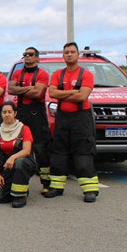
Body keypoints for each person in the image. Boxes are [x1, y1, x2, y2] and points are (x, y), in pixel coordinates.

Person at [45, 42, 100, 203]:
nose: (69, 54)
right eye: (66, 52)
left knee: (83, 152)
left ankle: (90, 190)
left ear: (78, 55)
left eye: (72, 52)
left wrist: (62, 94)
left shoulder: (86, 75)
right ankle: (56, 186)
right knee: (58, 152)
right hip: (62, 117)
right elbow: (52, 92)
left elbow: (82, 96)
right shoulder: (57, 74)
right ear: (63, 55)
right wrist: (72, 92)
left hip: (81, 118)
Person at [8, 47, 51, 193]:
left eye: (30, 54)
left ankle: (46, 183)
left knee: (41, 150)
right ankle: (21, 182)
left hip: (37, 116)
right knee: (20, 148)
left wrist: (21, 88)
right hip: (21, 115)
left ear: (37, 58)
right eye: (25, 54)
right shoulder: (18, 73)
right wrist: (29, 88)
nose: (27, 57)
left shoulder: (43, 74)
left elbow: (38, 92)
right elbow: (11, 90)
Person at [0, 102, 38, 208]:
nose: (7, 114)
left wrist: (13, 157)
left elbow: (27, 150)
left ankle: (20, 196)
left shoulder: (24, 129)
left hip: (24, 163)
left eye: (10, 112)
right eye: (4, 112)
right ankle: (13, 186)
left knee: (19, 162)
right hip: (6, 167)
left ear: (15, 113)